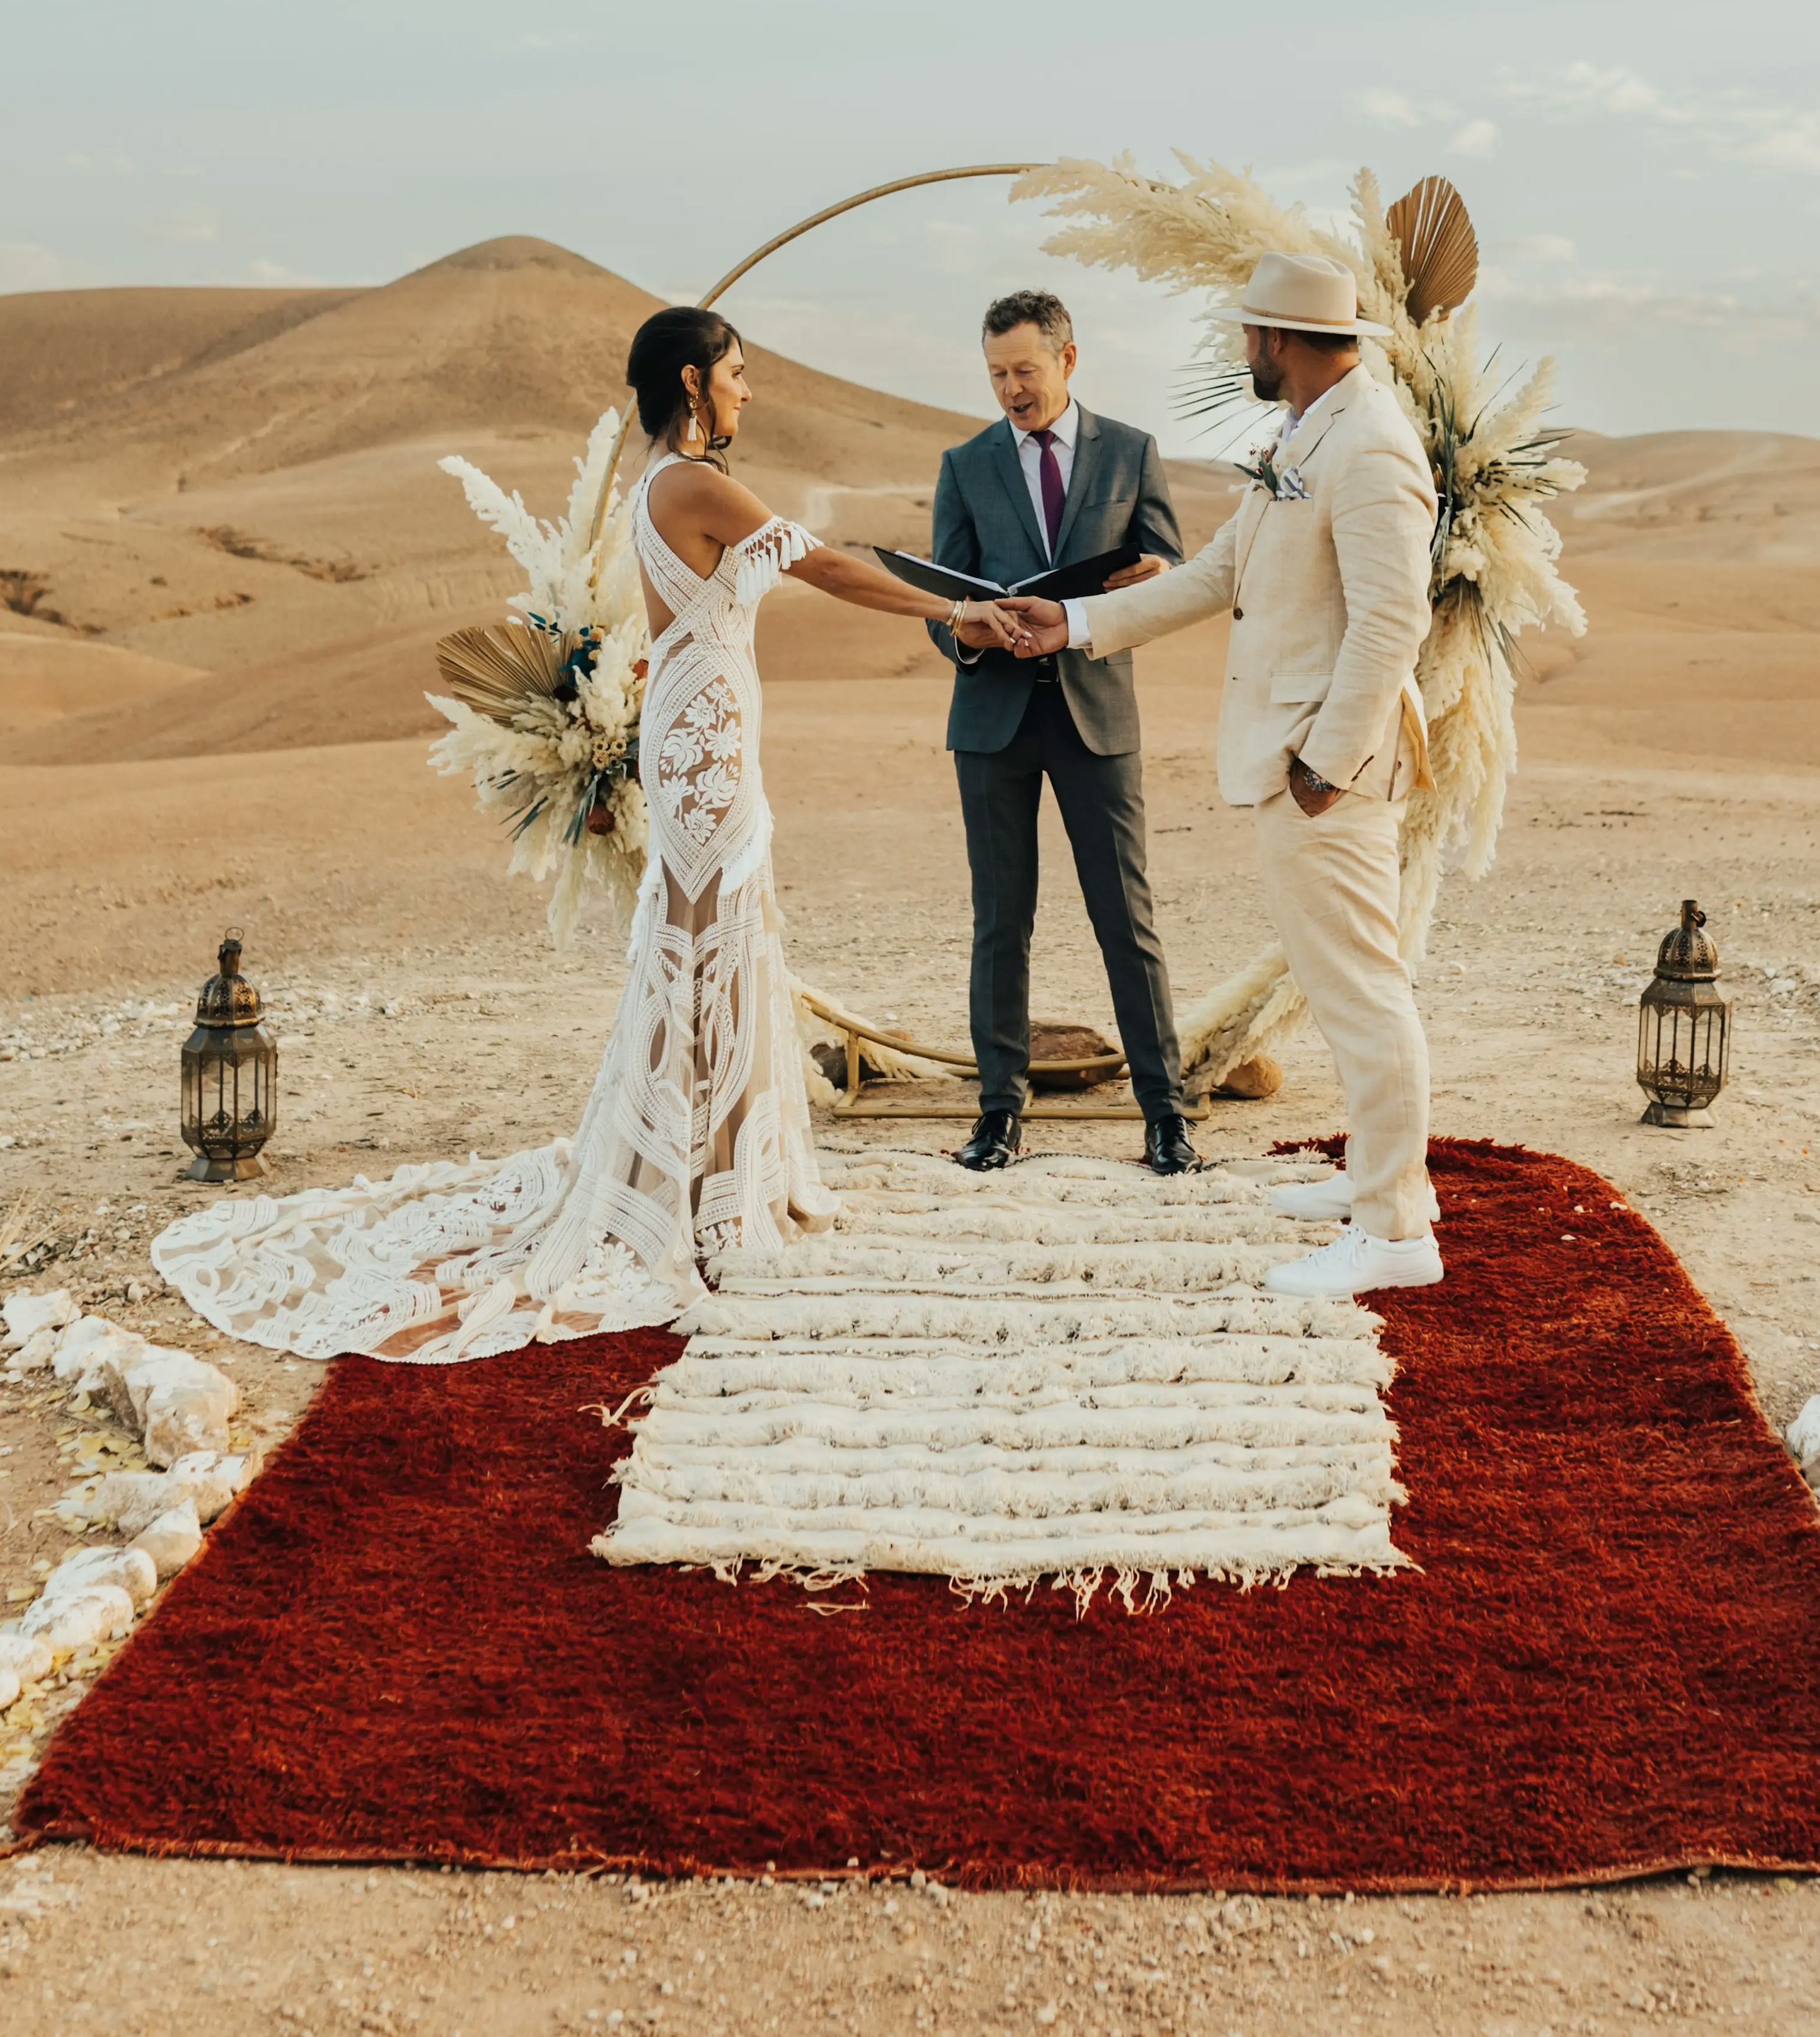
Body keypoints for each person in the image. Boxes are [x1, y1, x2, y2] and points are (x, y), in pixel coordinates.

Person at [149, 307, 985, 1364]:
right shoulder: (690, 483)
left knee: (716, 935)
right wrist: (954, 614)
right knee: (713, 939)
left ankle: (712, 1173)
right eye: (737, 373)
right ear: (693, 380)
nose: (748, 390)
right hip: (706, 741)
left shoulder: (657, 479)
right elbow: (823, 566)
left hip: (705, 721)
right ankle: (716, 1197)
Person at [999, 252, 1444, 1299]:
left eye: (1249, 333)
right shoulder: (1306, 434)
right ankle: (1380, 1185)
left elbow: (1392, 622)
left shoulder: (1371, 448)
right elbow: (1215, 576)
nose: (1241, 348)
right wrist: (1068, 624)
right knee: (1343, 984)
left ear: (1278, 340)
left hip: (1322, 765)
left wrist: (1327, 764)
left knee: (1364, 990)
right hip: (1294, 758)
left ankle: (1393, 1234)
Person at [926, 290, 1201, 1179]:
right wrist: (964, 626)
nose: (1012, 389)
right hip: (992, 720)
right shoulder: (964, 464)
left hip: (1096, 714)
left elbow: (1172, 576)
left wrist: (1142, 583)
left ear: (1069, 360)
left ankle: (1166, 1117)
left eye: (1026, 371)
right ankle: (1000, 1114)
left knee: (1128, 918)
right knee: (1000, 922)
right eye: (998, 373)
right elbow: (941, 603)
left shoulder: (1132, 452)